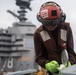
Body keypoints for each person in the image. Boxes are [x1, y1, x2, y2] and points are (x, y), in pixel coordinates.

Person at [34, 1, 76, 75]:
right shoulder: (38, 34)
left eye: (53, 23)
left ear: (60, 19)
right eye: (46, 23)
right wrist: (47, 64)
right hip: (52, 72)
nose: (50, 26)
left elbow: (71, 51)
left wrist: (70, 63)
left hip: (69, 71)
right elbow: (39, 57)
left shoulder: (66, 28)